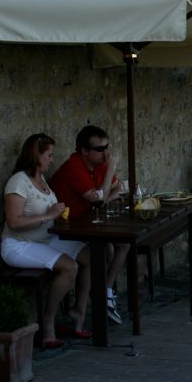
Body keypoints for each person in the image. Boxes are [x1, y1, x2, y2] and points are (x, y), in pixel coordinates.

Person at [1, 133, 91, 348]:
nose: (52, 159)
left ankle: (78, 313)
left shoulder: (41, 181)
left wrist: (58, 216)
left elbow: (47, 215)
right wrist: (49, 216)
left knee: (91, 255)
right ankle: (48, 323)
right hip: (19, 245)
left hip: (44, 240)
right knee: (69, 267)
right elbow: (14, 222)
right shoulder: (18, 181)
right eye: (49, 155)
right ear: (36, 155)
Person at [50, 125, 128, 325]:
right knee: (105, 250)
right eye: (100, 149)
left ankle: (105, 291)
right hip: (68, 227)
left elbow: (114, 189)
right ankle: (90, 302)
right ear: (84, 150)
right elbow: (98, 200)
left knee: (121, 245)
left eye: (106, 147)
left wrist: (107, 194)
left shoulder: (98, 163)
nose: (106, 153)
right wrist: (110, 176)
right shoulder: (74, 166)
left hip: (88, 222)